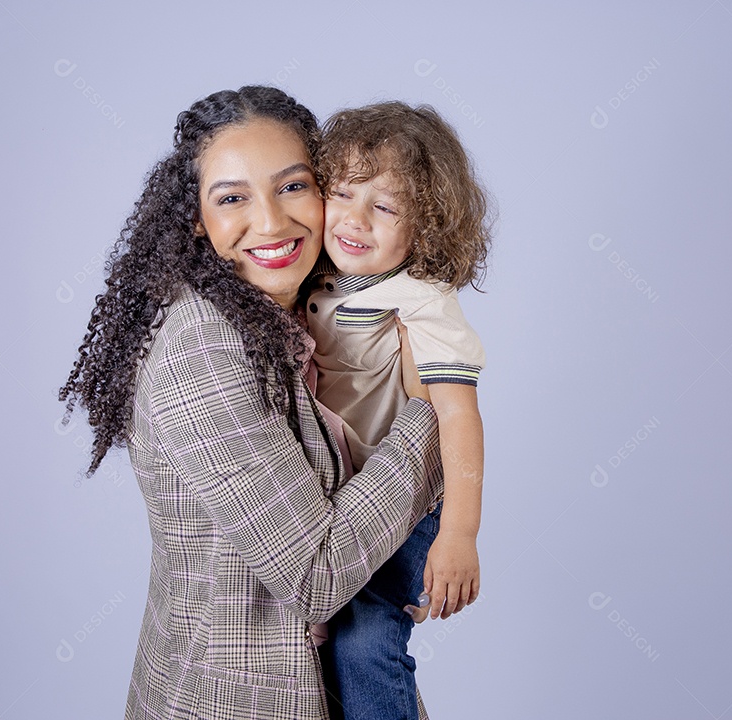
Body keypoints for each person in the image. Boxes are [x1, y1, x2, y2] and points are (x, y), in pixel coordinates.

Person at [57, 86, 444, 720]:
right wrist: (429, 411)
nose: (270, 222)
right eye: (232, 198)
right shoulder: (199, 352)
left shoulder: (305, 319)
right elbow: (317, 576)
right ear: (195, 220)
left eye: (293, 187)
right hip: (237, 699)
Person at [307, 102, 492, 720]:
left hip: (409, 512)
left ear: (426, 228)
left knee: (364, 639)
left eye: (383, 207)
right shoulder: (313, 281)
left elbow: (459, 417)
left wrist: (459, 534)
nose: (354, 220)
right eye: (343, 194)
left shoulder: (421, 303)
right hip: (340, 511)